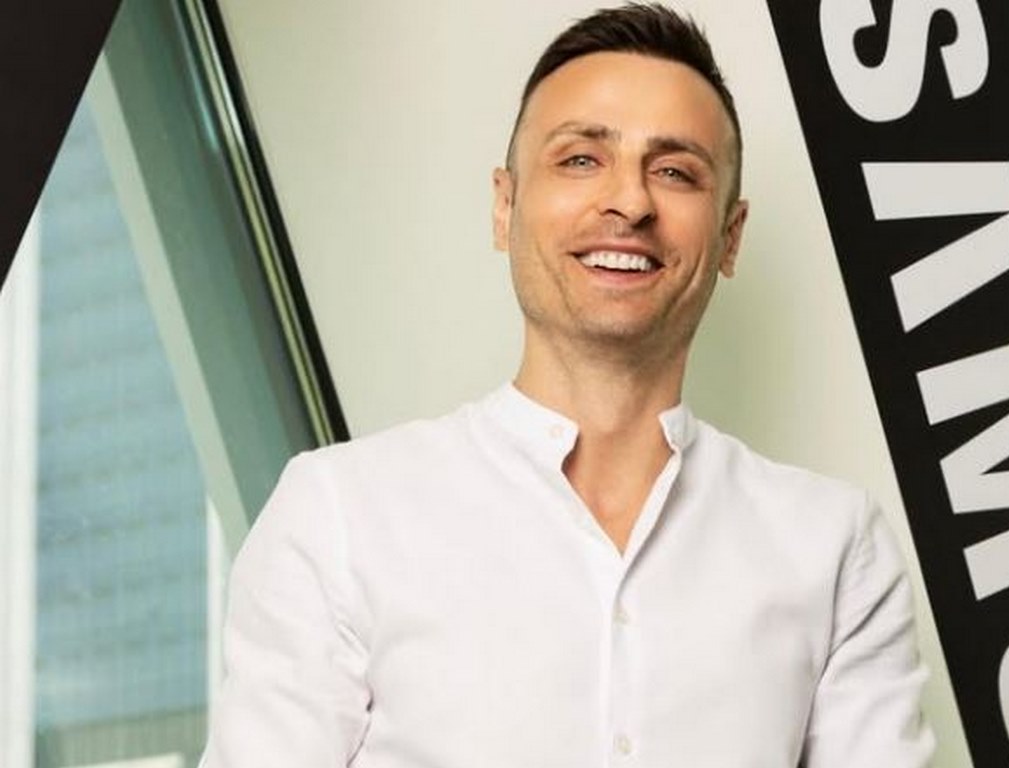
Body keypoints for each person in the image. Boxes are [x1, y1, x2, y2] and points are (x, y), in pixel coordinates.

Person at [200, 3, 935, 766]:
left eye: (674, 171)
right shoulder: (339, 516)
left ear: (729, 236)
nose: (629, 202)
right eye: (581, 159)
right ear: (504, 207)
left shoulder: (834, 546)